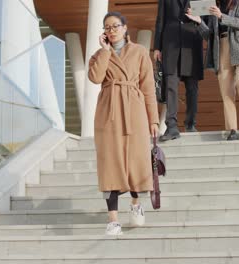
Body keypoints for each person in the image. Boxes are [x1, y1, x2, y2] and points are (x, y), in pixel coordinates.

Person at [88, 11, 159, 235]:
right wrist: (105, 51)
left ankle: (136, 205)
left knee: (136, 160)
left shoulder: (139, 52)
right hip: (108, 111)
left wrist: (154, 119)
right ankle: (113, 220)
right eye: (107, 27)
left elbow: (148, 87)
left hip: (134, 110)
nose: (112, 30)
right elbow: (95, 78)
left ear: (125, 28)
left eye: (116, 26)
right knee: (110, 163)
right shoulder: (100, 55)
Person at [186, 0, 239, 140]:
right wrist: (200, 22)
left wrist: (221, 16)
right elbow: (209, 36)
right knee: (226, 91)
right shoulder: (213, 7)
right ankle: (233, 130)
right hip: (221, 48)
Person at [154, 0, 204, 141]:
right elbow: (160, 20)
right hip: (170, 45)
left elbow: (208, 19)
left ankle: (190, 124)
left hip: (192, 44)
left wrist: (199, 20)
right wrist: (157, 47)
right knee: (170, 85)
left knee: (192, 88)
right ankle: (171, 127)